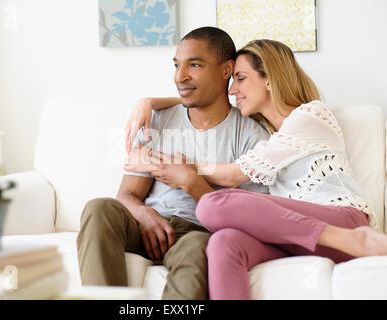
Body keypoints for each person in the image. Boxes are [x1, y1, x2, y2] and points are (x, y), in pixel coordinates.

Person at [124, 39, 387, 300]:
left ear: (269, 79)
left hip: (343, 222)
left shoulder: (310, 116)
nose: (232, 90)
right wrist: (148, 101)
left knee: (212, 206)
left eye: (240, 79)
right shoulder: (267, 135)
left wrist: (168, 165)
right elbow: (209, 100)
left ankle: (353, 240)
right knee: (223, 243)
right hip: (294, 238)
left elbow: (231, 176)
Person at [76, 27, 269, 300]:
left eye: (195, 65)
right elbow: (127, 195)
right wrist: (145, 216)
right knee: (99, 208)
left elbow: (246, 222)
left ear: (226, 70)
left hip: (197, 231)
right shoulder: (157, 119)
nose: (180, 77)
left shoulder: (250, 135)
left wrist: (192, 182)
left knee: (197, 248)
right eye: (177, 65)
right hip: (145, 225)